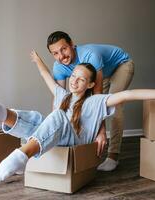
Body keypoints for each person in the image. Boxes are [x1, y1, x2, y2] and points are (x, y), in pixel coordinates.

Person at [0, 51, 155, 184]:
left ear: (90, 84)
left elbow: (129, 94)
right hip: (53, 137)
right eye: (73, 76)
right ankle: (2, 115)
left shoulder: (96, 102)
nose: (74, 80)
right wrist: (38, 60)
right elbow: (46, 76)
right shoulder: (62, 95)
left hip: (74, 143)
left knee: (56, 116)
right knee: (40, 118)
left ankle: (20, 156)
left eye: (81, 79)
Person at [47, 31, 134, 171]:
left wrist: (101, 131)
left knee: (115, 105)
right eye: (55, 53)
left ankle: (113, 156)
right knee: (80, 105)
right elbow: (60, 99)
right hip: (102, 72)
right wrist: (52, 127)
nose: (61, 56)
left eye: (64, 49)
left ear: (72, 45)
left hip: (121, 65)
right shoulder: (58, 67)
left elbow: (97, 97)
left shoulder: (90, 55)